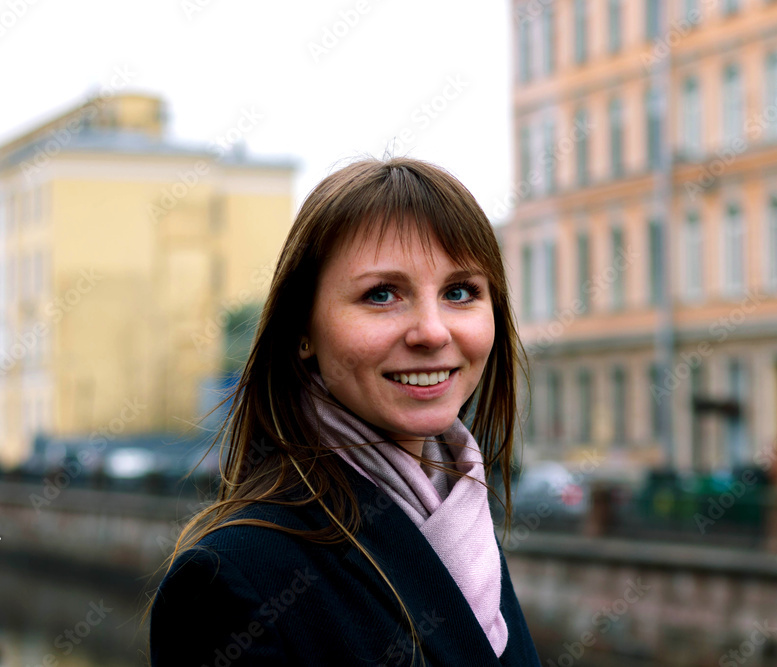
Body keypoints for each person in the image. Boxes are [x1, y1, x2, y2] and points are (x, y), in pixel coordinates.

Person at [146, 157, 541, 666]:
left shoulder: (464, 536)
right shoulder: (234, 582)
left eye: (459, 292)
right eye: (381, 295)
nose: (433, 332)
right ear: (302, 331)